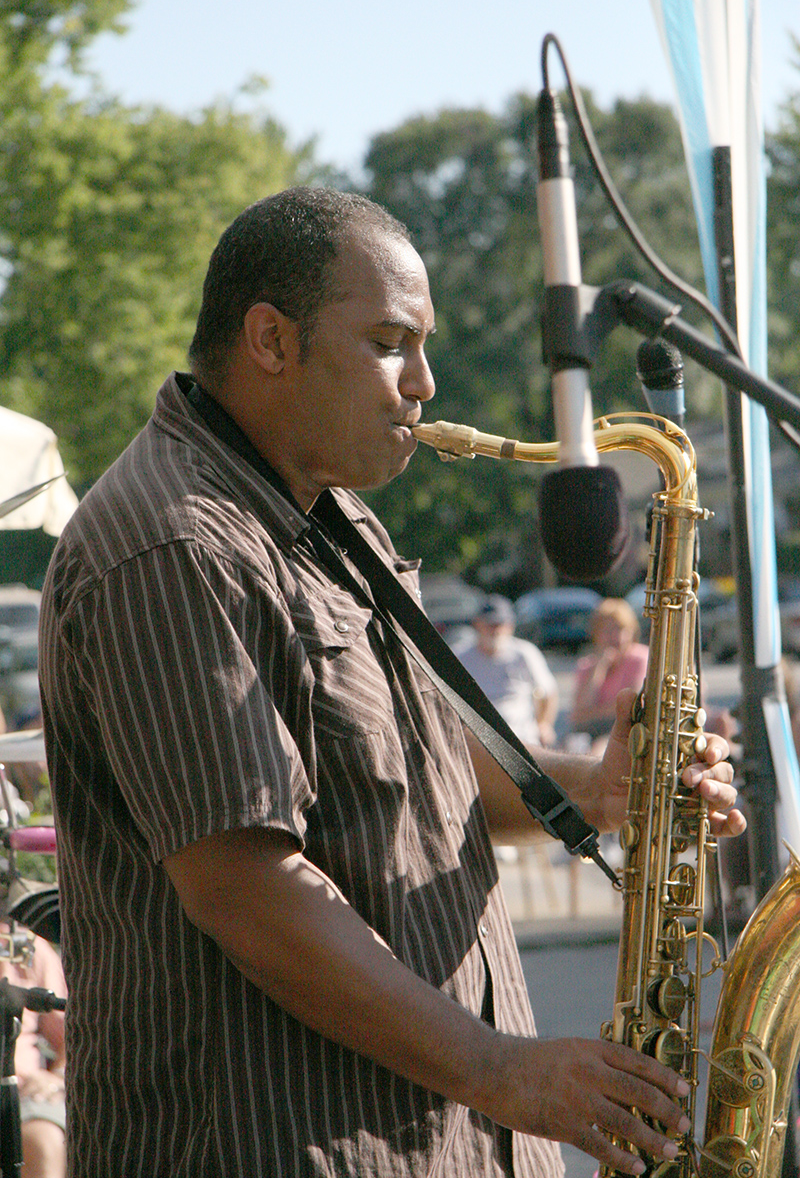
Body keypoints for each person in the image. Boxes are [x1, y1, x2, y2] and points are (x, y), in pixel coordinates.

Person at [38, 187, 744, 1178]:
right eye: (387, 341)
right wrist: (499, 1070)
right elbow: (243, 885)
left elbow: (405, 758)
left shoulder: (327, 508)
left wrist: (594, 786)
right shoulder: (171, 544)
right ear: (270, 340)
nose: (421, 381)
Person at [0, 926, 66, 1178]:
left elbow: (72, 1035)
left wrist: (56, 1076)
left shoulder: (22, 944)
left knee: (43, 1142)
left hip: (18, 1094)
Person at [456, 595, 559, 748]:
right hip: (475, 739)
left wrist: (544, 724)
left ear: (510, 626)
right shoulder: (460, 657)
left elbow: (548, 691)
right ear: (477, 624)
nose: (495, 630)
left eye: (500, 624)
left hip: (521, 736)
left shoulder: (525, 653)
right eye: (490, 624)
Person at [571, 598, 650, 749]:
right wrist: (599, 667)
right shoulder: (587, 665)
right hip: (589, 732)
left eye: (620, 629)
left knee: (599, 749)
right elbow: (577, 715)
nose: (615, 637)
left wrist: (591, 713)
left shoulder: (639, 659)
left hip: (626, 732)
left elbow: (629, 709)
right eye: (608, 630)